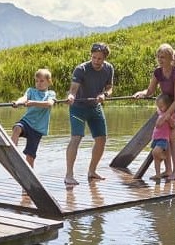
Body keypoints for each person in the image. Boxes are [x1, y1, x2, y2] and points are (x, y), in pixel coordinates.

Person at [133, 43, 175, 181]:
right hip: (169, 105)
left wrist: (165, 116)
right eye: (159, 57)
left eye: (163, 57)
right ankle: (167, 170)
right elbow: (150, 91)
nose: (160, 60)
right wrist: (141, 93)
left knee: (173, 137)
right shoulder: (158, 72)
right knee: (165, 135)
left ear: (171, 59)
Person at [65, 42, 114, 186]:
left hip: (95, 107)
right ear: (91, 56)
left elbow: (110, 88)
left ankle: (92, 172)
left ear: (104, 58)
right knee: (76, 138)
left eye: (99, 59)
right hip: (78, 107)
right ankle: (69, 175)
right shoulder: (81, 69)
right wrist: (71, 96)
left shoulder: (109, 68)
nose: (96, 61)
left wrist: (104, 95)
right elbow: (73, 89)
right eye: (94, 58)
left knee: (102, 139)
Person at [11, 68, 56, 168]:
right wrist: (18, 102)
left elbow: (49, 104)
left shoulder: (51, 93)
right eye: (36, 81)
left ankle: (31, 178)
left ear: (49, 82)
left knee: (30, 157)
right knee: (17, 128)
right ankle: (12, 152)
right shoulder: (31, 91)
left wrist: (33, 103)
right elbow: (24, 98)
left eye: (41, 81)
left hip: (38, 129)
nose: (38, 83)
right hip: (27, 122)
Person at [150, 92, 175, 180]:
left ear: (168, 105)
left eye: (162, 106)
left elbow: (173, 125)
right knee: (155, 157)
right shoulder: (160, 111)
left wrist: (169, 119)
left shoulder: (171, 114)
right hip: (155, 137)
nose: (160, 108)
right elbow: (157, 123)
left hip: (163, 138)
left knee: (155, 152)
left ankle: (164, 156)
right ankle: (157, 174)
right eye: (159, 106)